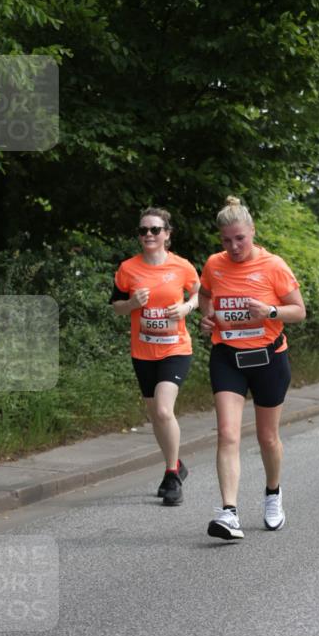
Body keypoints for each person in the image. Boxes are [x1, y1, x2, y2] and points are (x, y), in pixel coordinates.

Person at [198, 197, 306, 541]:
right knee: (228, 433)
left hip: (269, 359)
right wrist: (207, 316)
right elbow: (204, 294)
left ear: (252, 232)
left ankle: (273, 494)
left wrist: (270, 312)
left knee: (267, 437)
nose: (233, 247)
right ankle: (228, 512)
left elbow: (299, 311)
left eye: (239, 239)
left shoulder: (273, 265)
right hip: (228, 357)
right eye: (226, 240)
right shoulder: (214, 264)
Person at [110, 208, 199, 506]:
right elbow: (117, 307)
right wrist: (133, 303)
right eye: (143, 230)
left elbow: (200, 293)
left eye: (155, 230)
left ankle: (172, 475)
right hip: (143, 351)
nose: (149, 235)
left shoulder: (182, 267)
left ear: (167, 234)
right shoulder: (128, 269)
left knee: (163, 410)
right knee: (157, 417)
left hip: (175, 349)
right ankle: (176, 463)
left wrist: (187, 308)